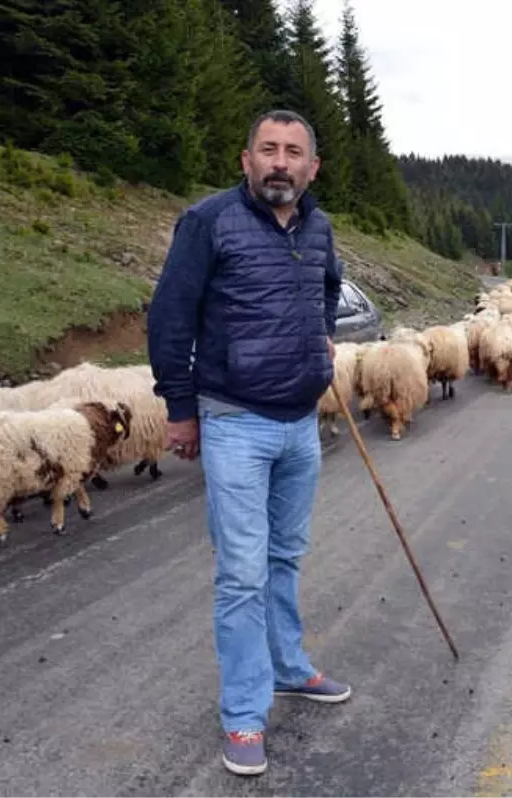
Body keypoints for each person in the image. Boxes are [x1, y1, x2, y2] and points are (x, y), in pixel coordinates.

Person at [147, 109, 352, 778]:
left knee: (287, 554)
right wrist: (181, 409)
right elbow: (170, 316)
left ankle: (289, 667)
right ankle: (243, 715)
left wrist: (320, 341)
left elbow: (325, 292)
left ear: (312, 167)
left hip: (300, 423)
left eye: (294, 152)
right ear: (246, 160)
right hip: (234, 419)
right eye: (268, 149)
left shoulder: (318, 227)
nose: (280, 162)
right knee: (241, 572)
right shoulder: (208, 222)